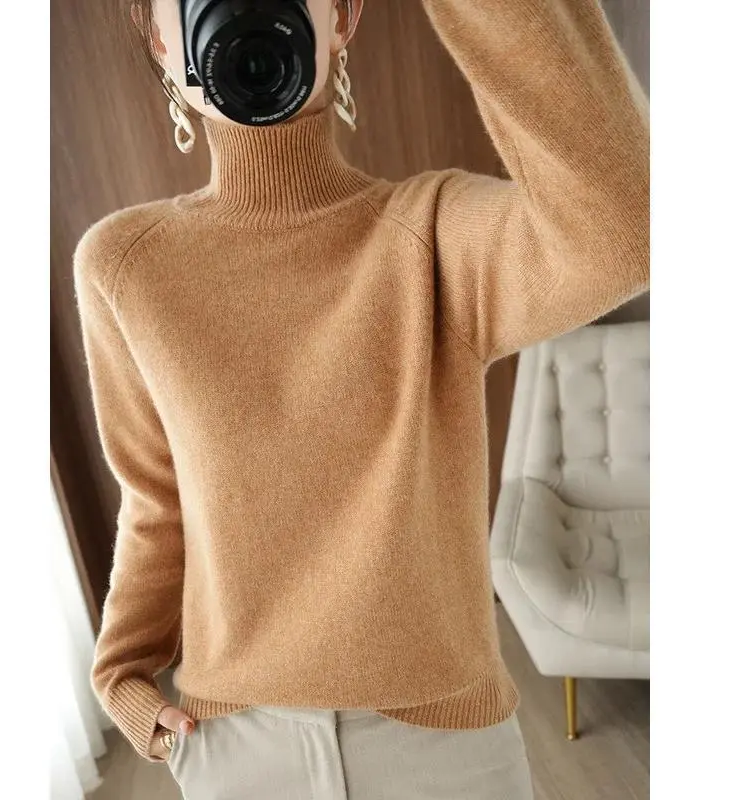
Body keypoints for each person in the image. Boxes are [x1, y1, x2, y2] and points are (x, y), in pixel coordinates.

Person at [73, 0, 649, 797]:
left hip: (447, 747)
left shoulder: (432, 237)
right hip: (237, 748)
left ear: (342, 15)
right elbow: (157, 499)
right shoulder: (124, 267)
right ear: (158, 42)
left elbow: (624, 228)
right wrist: (124, 673)